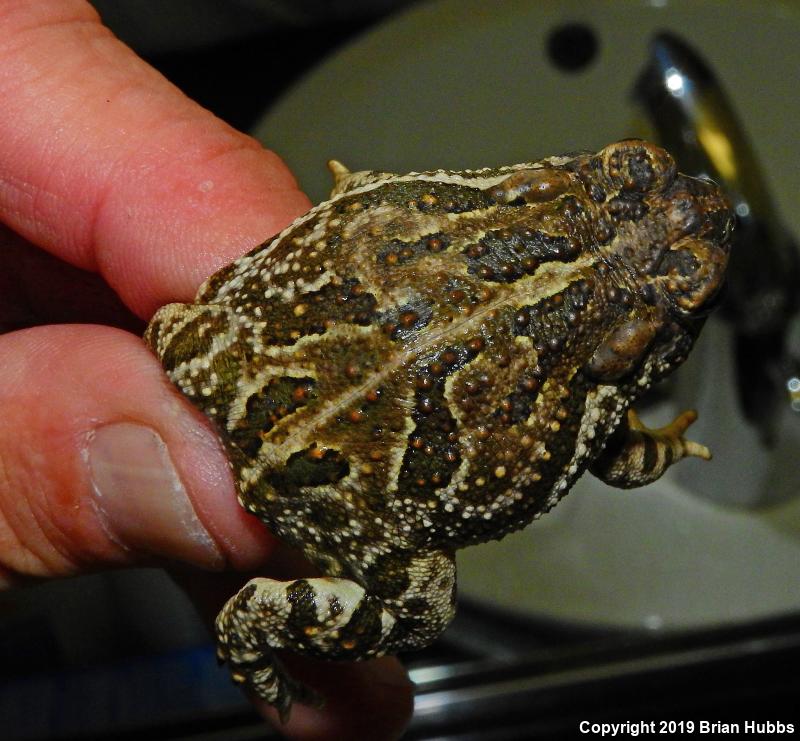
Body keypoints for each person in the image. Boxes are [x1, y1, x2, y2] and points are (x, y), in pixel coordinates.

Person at [0, 2, 413, 738]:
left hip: (325, 465)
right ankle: (253, 634)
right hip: (320, 483)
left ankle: (253, 634)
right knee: (421, 603)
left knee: (177, 314)